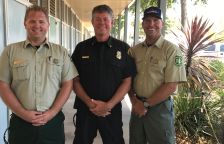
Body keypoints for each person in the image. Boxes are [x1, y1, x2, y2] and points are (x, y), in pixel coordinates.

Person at [0, 5, 78, 144]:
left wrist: (52, 112)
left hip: (52, 123)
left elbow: (68, 83)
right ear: (25, 24)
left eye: (41, 21)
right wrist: (23, 113)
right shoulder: (10, 51)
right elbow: (2, 85)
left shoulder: (60, 52)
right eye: (32, 21)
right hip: (21, 123)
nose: (37, 25)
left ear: (48, 25)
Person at [71, 4, 136, 144]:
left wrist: (108, 105)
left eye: (105, 19)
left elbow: (127, 81)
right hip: (85, 109)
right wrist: (91, 104)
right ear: (92, 22)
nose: (102, 23)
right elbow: (74, 80)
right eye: (98, 19)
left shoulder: (123, 48)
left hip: (111, 111)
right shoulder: (81, 48)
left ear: (112, 22)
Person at [128, 6, 187, 144]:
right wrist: (134, 101)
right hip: (137, 106)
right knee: (136, 140)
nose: (151, 24)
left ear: (162, 23)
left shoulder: (172, 50)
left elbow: (171, 85)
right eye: (147, 20)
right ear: (142, 24)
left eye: (155, 20)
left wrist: (146, 105)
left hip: (159, 108)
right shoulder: (134, 51)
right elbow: (127, 80)